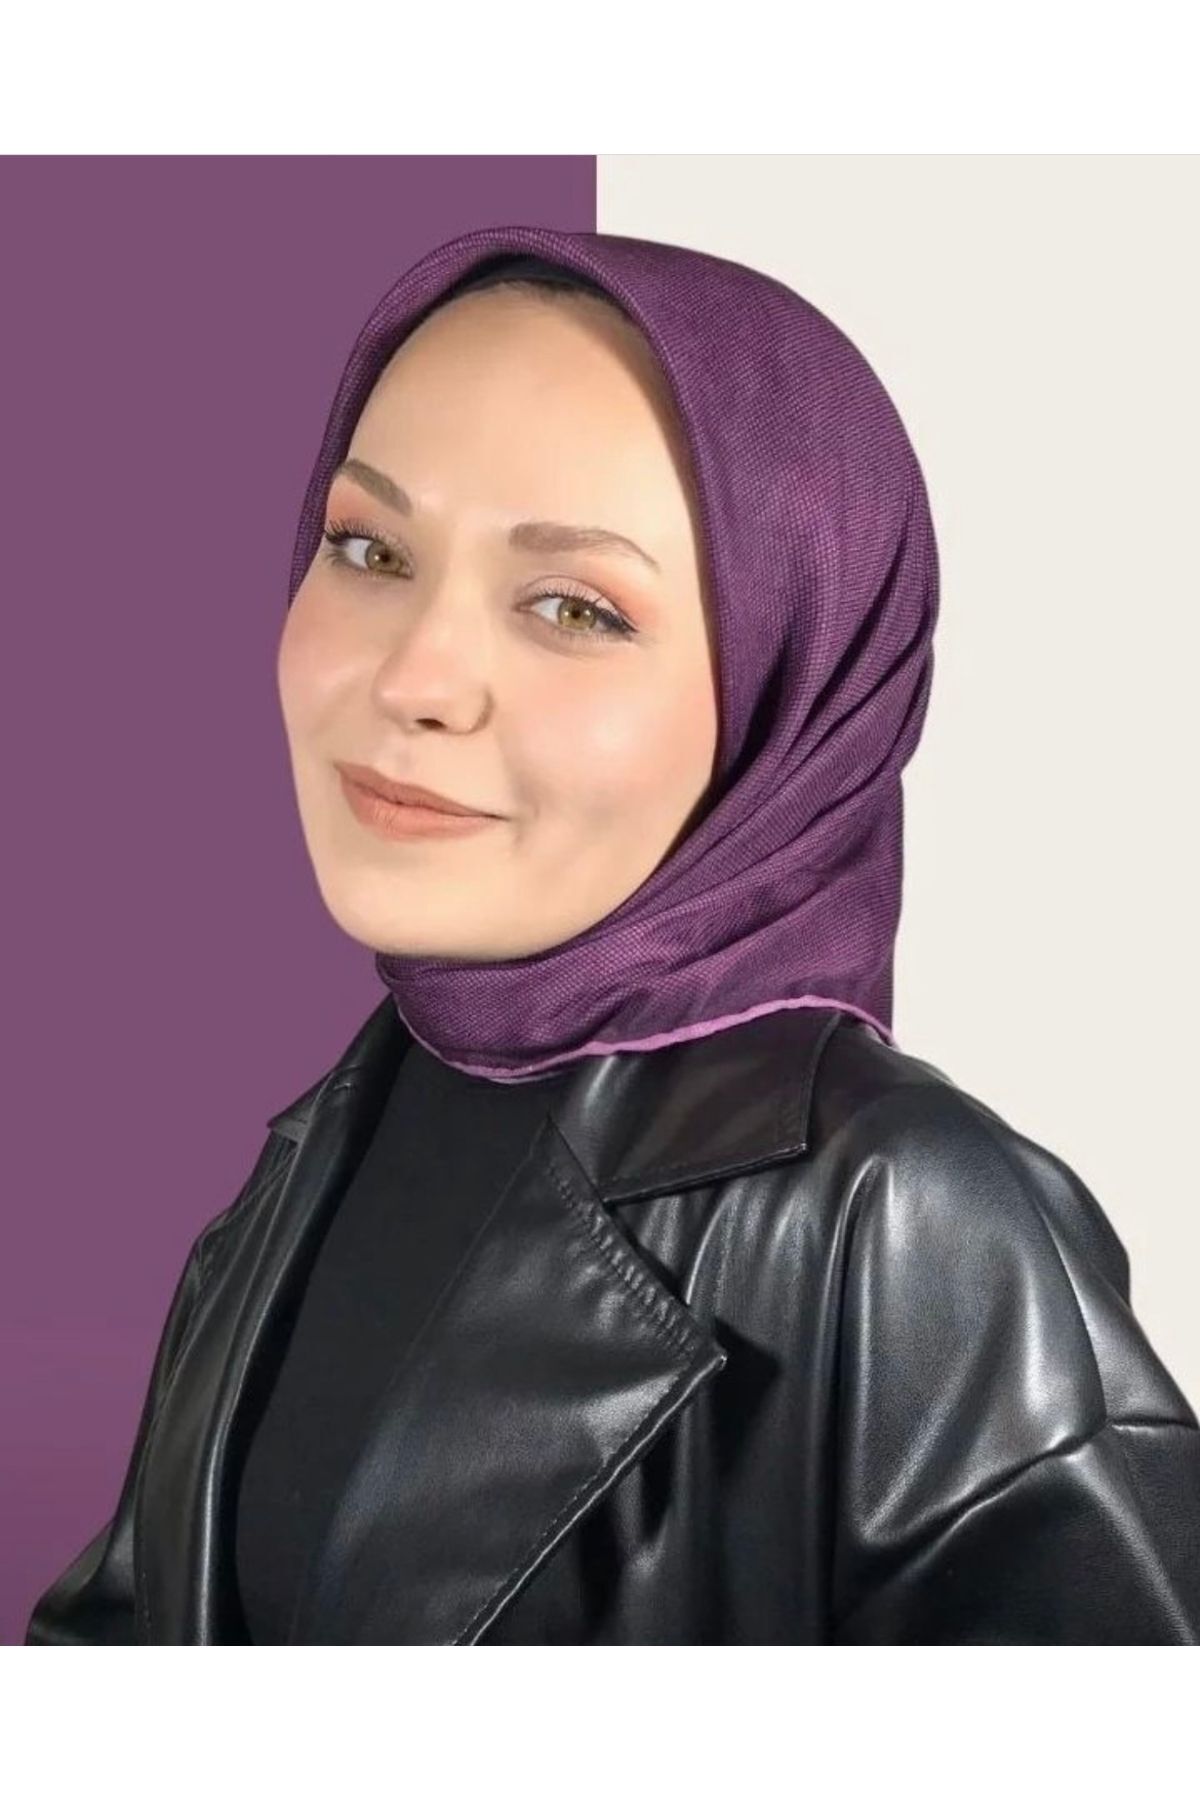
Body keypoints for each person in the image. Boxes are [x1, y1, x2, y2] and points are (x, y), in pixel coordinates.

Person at [26, 226, 1200, 1645]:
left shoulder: (909, 1222)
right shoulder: (325, 1147)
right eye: (369, 548)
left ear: (788, 680)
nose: (416, 679)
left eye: (573, 606)